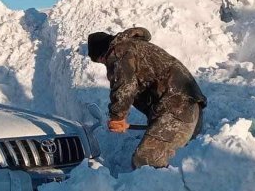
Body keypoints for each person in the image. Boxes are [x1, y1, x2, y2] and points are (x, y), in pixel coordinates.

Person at [87, 27, 207, 169]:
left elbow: (125, 85)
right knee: (182, 160)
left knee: (146, 160)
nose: (106, 64)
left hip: (177, 108)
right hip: (189, 105)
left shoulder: (118, 52)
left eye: (101, 61)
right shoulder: (133, 47)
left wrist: (117, 117)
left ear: (101, 55)